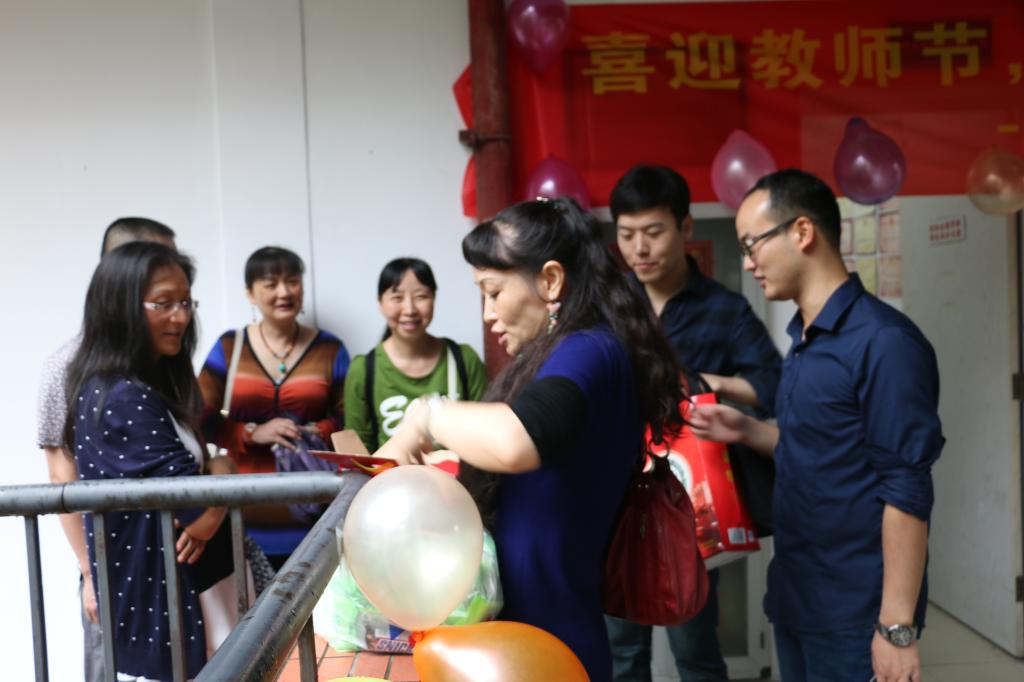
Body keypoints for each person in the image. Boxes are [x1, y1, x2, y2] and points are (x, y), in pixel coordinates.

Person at [376, 198, 685, 682]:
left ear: (551, 281)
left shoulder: (588, 349)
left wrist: (425, 415)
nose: (488, 313)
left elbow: (519, 440)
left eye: (494, 292)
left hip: (552, 645)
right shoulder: (574, 350)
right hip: (532, 639)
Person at [689, 169, 944, 682]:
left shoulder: (884, 343)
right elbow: (819, 446)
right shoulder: (805, 338)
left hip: (855, 612)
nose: (747, 262)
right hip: (797, 595)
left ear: (802, 232)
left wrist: (896, 627)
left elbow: (907, 490)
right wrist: (744, 429)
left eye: (752, 244)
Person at [606, 164, 782, 681]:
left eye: (653, 232)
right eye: (626, 235)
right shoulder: (610, 305)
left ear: (685, 228)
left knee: (695, 648)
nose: (639, 249)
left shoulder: (725, 308)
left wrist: (710, 382)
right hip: (615, 494)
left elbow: (772, 384)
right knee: (621, 651)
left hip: (693, 500)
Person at [65, 241, 240, 680]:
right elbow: (201, 514)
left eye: (185, 302)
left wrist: (218, 471)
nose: (180, 317)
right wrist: (223, 471)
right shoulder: (123, 396)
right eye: (163, 303)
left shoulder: (147, 384)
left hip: (188, 598)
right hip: (166, 612)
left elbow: (203, 489)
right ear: (120, 306)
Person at [36, 217, 176, 682]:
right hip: (114, 563)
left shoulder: (164, 358)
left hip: (172, 561)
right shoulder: (66, 364)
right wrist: (90, 572)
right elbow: (61, 474)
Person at [198, 246, 350, 523]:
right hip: (240, 509)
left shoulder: (330, 348)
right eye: (271, 284)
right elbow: (199, 416)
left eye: (292, 282)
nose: (284, 292)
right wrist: (251, 433)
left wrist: (313, 431)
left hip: (316, 506)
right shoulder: (230, 346)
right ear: (250, 293)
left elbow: (349, 418)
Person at [343, 257, 487, 451]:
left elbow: (485, 435)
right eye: (397, 298)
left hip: (457, 471)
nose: (409, 309)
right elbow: (357, 450)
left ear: (434, 299)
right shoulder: (363, 369)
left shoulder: (463, 359)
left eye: (421, 296)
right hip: (391, 472)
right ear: (380, 303)